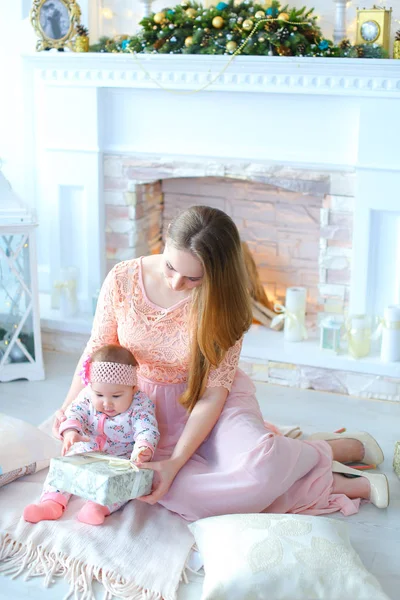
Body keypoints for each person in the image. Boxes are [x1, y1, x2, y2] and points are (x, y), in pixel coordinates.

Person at [52, 205, 389, 522]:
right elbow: (97, 350)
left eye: (192, 278)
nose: (175, 283)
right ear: (165, 242)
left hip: (209, 403)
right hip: (142, 410)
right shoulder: (123, 279)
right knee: (174, 492)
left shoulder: (226, 304)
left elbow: (213, 395)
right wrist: (69, 406)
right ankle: (332, 476)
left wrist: (176, 462)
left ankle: (321, 451)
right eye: (170, 267)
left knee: (259, 467)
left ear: (215, 273)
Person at [24, 344, 159, 525]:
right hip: (87, 448)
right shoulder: (87, 396)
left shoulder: (140, 405)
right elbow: (75, 412)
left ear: (133, 389)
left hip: (120, 456)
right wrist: (71, 431)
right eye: (99, 395)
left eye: (117, 396)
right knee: (64, 468)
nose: (107, 403)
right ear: (92, 388)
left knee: (122, 482)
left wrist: (143, 448)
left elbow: (147, 427)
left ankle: (97, 507)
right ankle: (51, 503)